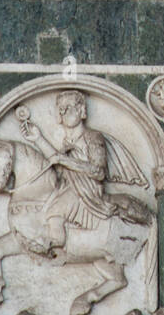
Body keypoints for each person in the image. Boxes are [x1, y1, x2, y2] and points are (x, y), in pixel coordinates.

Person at [19, 90, 152, 257]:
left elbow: (99, 172)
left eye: (69, 107)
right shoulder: (67, 142)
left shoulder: (93, 137)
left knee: (56, 209)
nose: (63, 112)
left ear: (81, 111)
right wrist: (37, 138)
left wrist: (65, 160)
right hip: (70, 188)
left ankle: (53, 242)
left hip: (88, 192)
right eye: (60, 108)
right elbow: (56, 160)